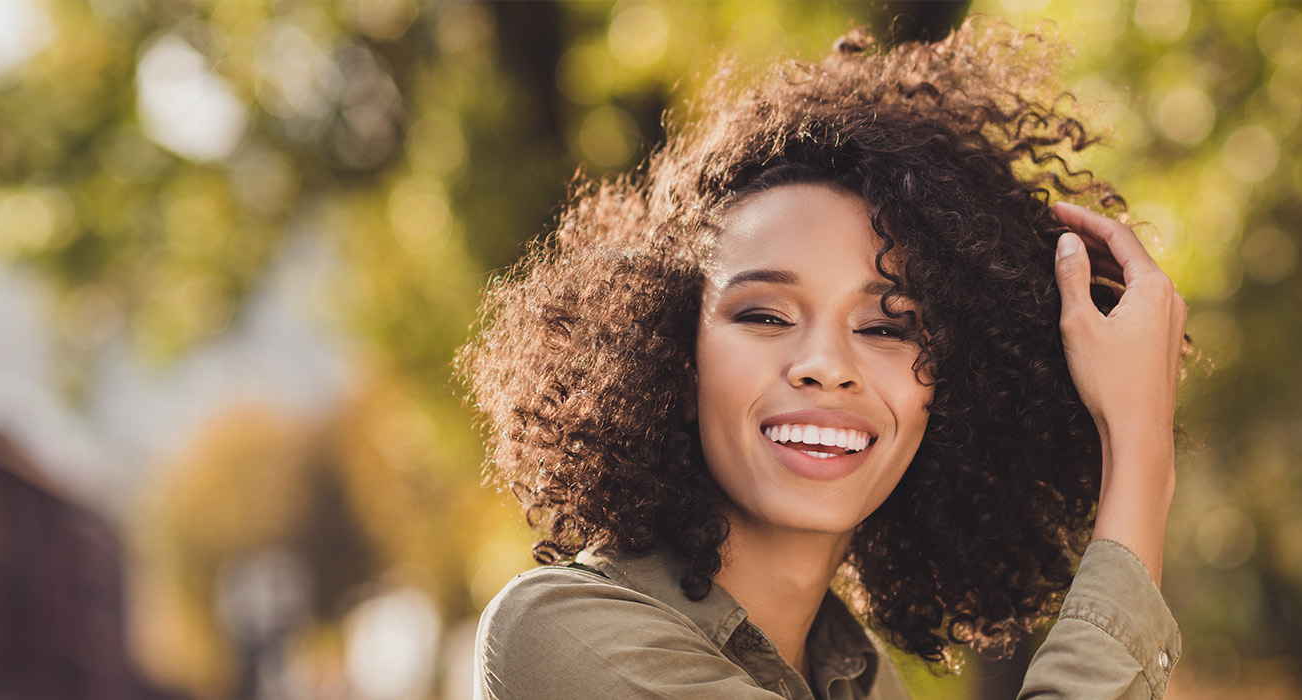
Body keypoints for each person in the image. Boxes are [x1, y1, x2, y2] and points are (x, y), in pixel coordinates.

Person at [458, 19, 1192, 700]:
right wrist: (1137, 453)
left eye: (887, 327)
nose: (824, 364)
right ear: (677, 365)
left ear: (952, 398)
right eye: (765, 315)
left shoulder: (863, 678)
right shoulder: (561, 633)